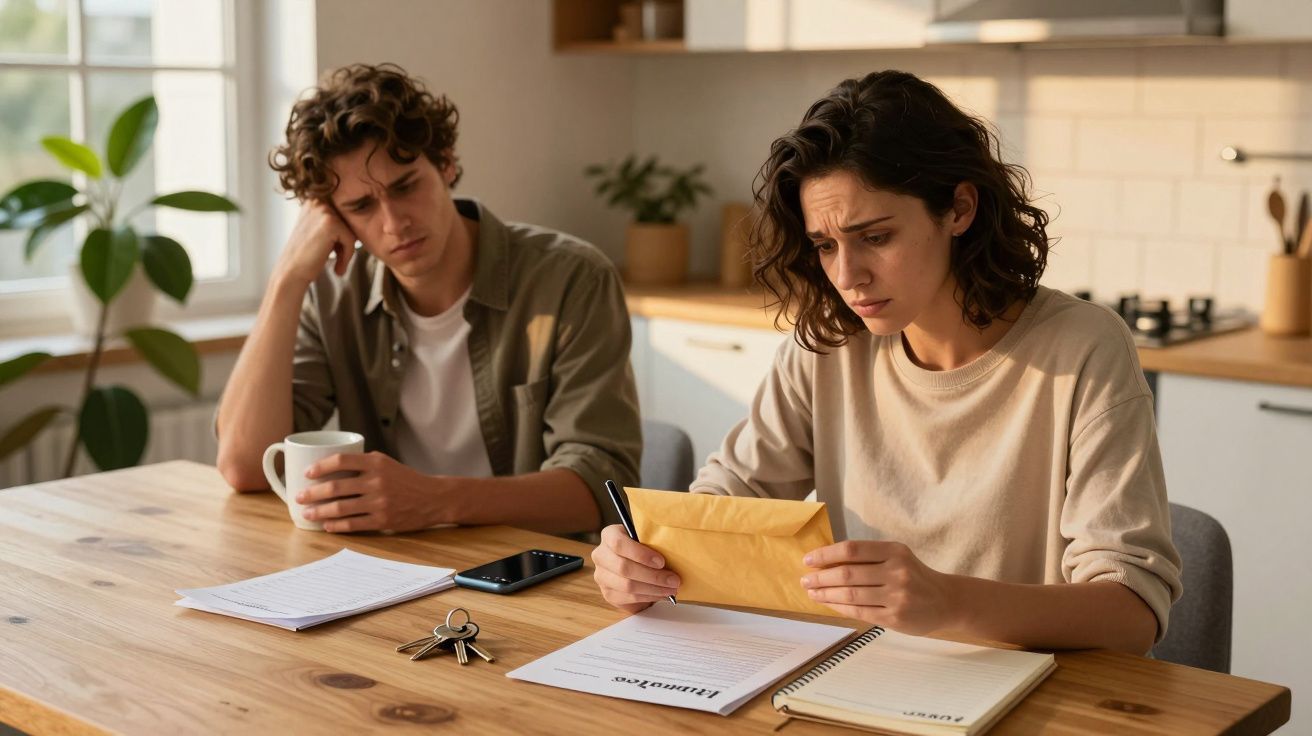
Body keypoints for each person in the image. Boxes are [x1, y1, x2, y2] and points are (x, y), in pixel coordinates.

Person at [592, 70, 1181, 655]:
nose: (847, 277)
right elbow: (733, 494)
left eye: (874, 237)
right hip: (861, 673)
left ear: (959, 209)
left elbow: (1131, 613)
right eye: (826, 246)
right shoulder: (830, 344)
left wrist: (948, 601)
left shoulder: (1083, 348)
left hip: (1028, 691)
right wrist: (646, 559)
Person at [216, 63, 640, 535]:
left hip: (535, 573)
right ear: (333, 216)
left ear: (446, 163)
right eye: (361, 206)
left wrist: (435, 500)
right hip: (397, 570)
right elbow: (245, 467)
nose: (395, 223)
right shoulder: (333, 292)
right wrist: (286, 281)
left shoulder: (570, 279)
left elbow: (604, 489)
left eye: (406, 187)